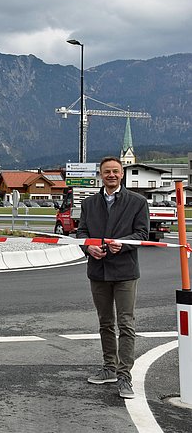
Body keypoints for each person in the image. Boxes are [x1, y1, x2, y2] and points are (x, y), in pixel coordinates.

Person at [77, 156, 149, 399]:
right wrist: (89, 248)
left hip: (125, 271)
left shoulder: (137, 202)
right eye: (107, 171)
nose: (111, 175)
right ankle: (109, 368)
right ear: (100, 174)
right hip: (98, 271)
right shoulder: (89, 204)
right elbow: (82, 233)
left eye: (115, 171)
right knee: (105, 322)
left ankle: (124, 376)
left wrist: (124, 245)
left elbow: (142, 233)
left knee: (126, 324)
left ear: (122, 174)